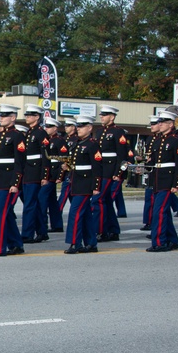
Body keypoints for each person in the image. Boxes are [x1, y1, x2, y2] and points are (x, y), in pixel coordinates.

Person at [0, 104, 25, 257]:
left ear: (13, 118)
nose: (1, 118)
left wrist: (15, 183)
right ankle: (16, 244)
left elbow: (19, 162)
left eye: (5, 115)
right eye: (0, 115)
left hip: (8, 182)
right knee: (5, 214)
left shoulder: (18, 136)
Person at [146, 110, 178, 253]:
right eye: (159, 122)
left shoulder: (176, 141)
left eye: (162, 122)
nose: (159, 124)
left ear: (170, 124)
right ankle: (172, 240)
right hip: (157, 180)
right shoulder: (158, 140)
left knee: (159, 212)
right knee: (165, 213)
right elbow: (153, 162)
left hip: (168, 180)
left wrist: (177, 184)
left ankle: (159, 242)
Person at [94, 105, 134, 242]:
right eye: (101, 115)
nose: (102, 117)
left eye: (104, 115)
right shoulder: (98, 132)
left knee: (97, 199)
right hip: (100, 170)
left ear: (112, 116)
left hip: (110, 171)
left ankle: (100, 230)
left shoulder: (118, 132)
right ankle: (113, 230)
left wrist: (119, 173)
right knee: (106, 201)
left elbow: (122, 156)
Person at [64, 116, 102, 254]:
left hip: (85, 184)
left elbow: (97, 167)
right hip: (76, 182)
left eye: (81, 126)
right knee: (85, 215)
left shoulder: (92, 144)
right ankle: (91, 243)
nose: (78, 129)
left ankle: (75, 243)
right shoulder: (77, 143)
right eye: (77, 126)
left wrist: (96, 187)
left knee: (75, 213)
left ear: (90, 128)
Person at [20, 104, 49, 244]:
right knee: (33, 204)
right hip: (28, 171)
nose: (27, 117)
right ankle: (42, 232)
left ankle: (27, 234)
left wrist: (44, 175)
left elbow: (45, 156)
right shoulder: (30, 133)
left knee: (29, 205)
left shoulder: (40, 133)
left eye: (29, 115)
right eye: (26, 115)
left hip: (35, 172)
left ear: (37, 117)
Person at [41, 117, 65, 233]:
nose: (47, 129)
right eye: (46, 126)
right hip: (48, 172)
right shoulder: (47, 140)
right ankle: (57, 225)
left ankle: (43, 225)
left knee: (42, 198)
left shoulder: (59, 141)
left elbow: (63, 160)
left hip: (53, 173)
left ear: (55, 128)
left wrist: (60, 176)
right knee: (52, 201)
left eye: (49, 127)